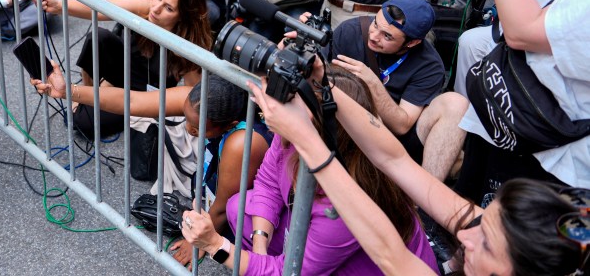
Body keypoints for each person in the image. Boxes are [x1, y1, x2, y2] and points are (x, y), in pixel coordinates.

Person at [246, 71, 588, 276]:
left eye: (486, 242)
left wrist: (307, 140)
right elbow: (396, 161)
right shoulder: (491, 233)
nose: (466, 234)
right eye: (483, 220)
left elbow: (388, 253)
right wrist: (323, 85)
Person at [183, 69, 438, 274]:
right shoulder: (294, 134)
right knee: (240, 207)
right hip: (311, 235)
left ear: (321, 130)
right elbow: (268, 183)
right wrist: (259, 246)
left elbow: (289, 271)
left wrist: (215, 244)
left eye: (293, 105)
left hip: (361, 267)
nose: (274, 112)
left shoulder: (341, 207)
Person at [33, 71, 271, 266]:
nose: (189, 129)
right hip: (216, 189)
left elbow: (222, 206)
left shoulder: (242, 142)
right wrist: (68, 92)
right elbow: (133, 101)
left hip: (246, 220)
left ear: (228, 125)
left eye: (198, 127)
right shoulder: (202, 103)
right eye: (186, 119)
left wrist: (202, 242)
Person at [452, 0, 589, 194]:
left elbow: (520, 32)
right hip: (501, 112)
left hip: (555, 156)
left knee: (499, 237)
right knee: (467, 215)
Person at [39, 0, 212, 138]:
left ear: (183, 17)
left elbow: (192, 96)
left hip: (145, 94)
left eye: (169, 8)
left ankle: (101, 97)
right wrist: (59, 6)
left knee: (81, 123)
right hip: (122, 69)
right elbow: (99, 7)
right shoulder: (146, 6)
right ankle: (92, 90)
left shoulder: (188, 45)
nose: (156, 9)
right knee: (98, 37)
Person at [328, 0, 468, 180]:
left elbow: (401, 126)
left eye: (387, 36)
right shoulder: (351, 31)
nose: (374, 36)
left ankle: (427, 195)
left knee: (456, 103)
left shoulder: (429, 65)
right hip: (349, 125)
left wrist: (372, 83)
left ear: (412, 42)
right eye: (376, 24)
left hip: (399, 139)